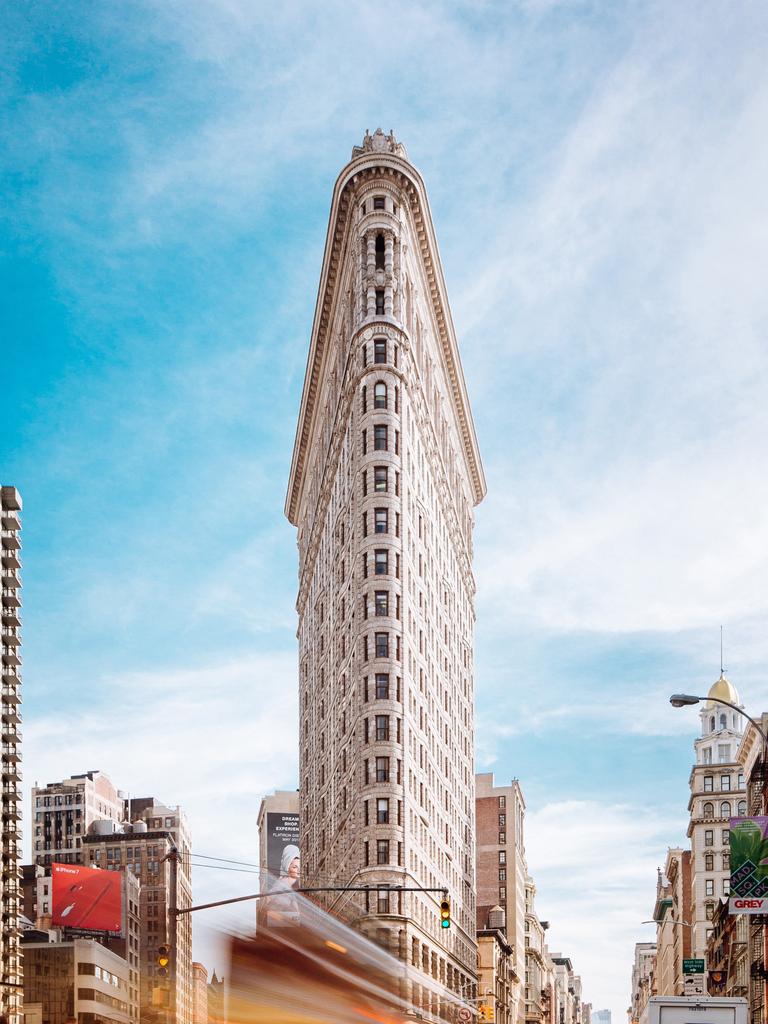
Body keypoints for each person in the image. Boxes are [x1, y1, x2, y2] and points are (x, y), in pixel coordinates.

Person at [265, 844, 300, 926]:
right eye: (294, 867)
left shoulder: (292, 884)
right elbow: (268, 898)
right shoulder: (282, 883)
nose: (298, 871)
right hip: (278, 920)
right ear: (287, 867)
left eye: (299, 867)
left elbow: (296, 907)